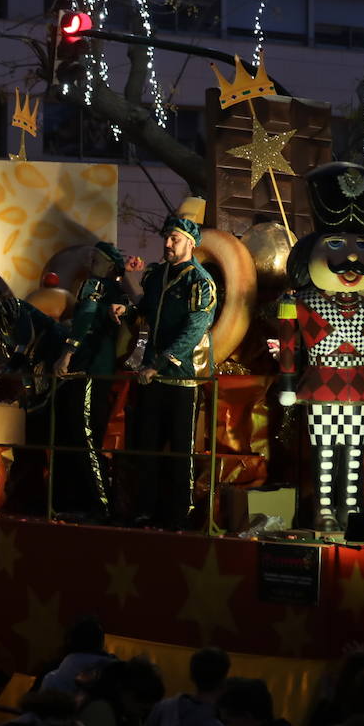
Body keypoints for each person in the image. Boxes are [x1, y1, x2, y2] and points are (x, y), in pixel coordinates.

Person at [278, 162, 364, 532]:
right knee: (326, 451)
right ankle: (325, 509)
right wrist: (286, 386)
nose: (351, 257)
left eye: (362, 245)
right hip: (320, 381)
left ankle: (351, 506)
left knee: (355, 450)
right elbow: (288, 346)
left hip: (360, 383)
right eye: (335, 244)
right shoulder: (298, 302)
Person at [125, 197, 217, 532]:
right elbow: (144, 313)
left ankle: (181, 512)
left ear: (190, 243)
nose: (166, 243)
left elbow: (195, 328)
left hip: (181, 377)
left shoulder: (200, 281)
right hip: (151, 375)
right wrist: (127, 312)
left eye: (174, 238)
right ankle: (145, 509)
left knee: (180, 450)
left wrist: (161, 363)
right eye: (166, 237)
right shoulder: (155, 275)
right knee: (147, 446)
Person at [0, 280, 69, 514]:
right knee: (30, 437)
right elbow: (22, 359)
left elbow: (25, 344)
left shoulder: (15, 308)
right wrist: (28, 390)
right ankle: (27, 498)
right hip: (38, 378)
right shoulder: (1, 323)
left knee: (49, 434)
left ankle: (46, 500)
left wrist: (13, 367)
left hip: (56, 371)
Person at [53, 241, 134, 521]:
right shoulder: (119, 294)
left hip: (86, 368)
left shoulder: (94, 286)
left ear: (109, 265)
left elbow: (85, 318)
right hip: (104, 369)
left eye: (97, 258)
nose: (91, 260)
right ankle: (87, 502)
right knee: (91, 436)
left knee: (83, 437)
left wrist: (67, 352)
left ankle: (99, 504)